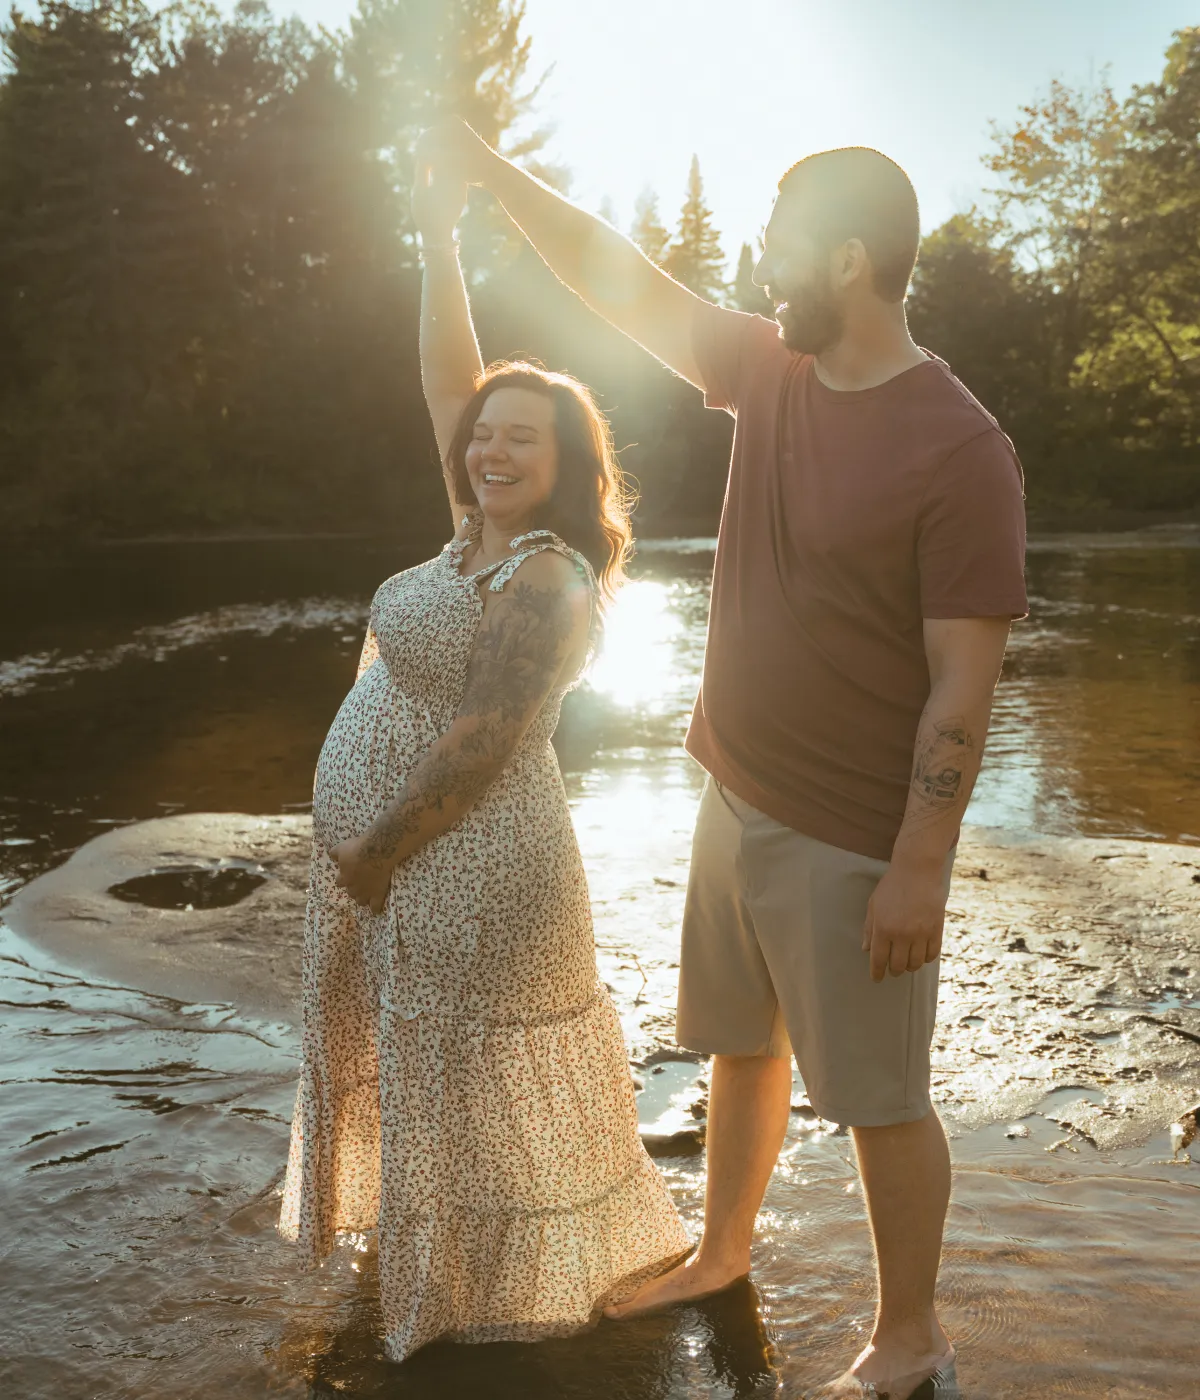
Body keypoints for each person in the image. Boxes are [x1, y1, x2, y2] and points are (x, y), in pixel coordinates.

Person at [420, 121, 1027, 1399]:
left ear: (851, 260)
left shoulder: (961, 448)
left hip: (852, 829)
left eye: (783, 244)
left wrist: (920, 865)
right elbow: (616, 269)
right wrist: (487, 166)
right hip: (733, 785)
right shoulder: (769, 368)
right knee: (742, 1045)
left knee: (878, 1095)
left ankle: (909, 1337)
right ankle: (724, 1245)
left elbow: (964, 683)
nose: (760, 264)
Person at [276, 151, 690, 1363]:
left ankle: (466, 1301)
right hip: (401, 855)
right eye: (483, 438)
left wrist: (374, 850)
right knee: (426, 1063)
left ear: (569, 462)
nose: (491, 451)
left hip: (459, 854)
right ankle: (436, 1268)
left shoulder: (547, 572)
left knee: (454, 1064)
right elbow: (446, 378)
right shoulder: (469, 535)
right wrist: (437, 241)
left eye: (522, 439)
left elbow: (479, 742)